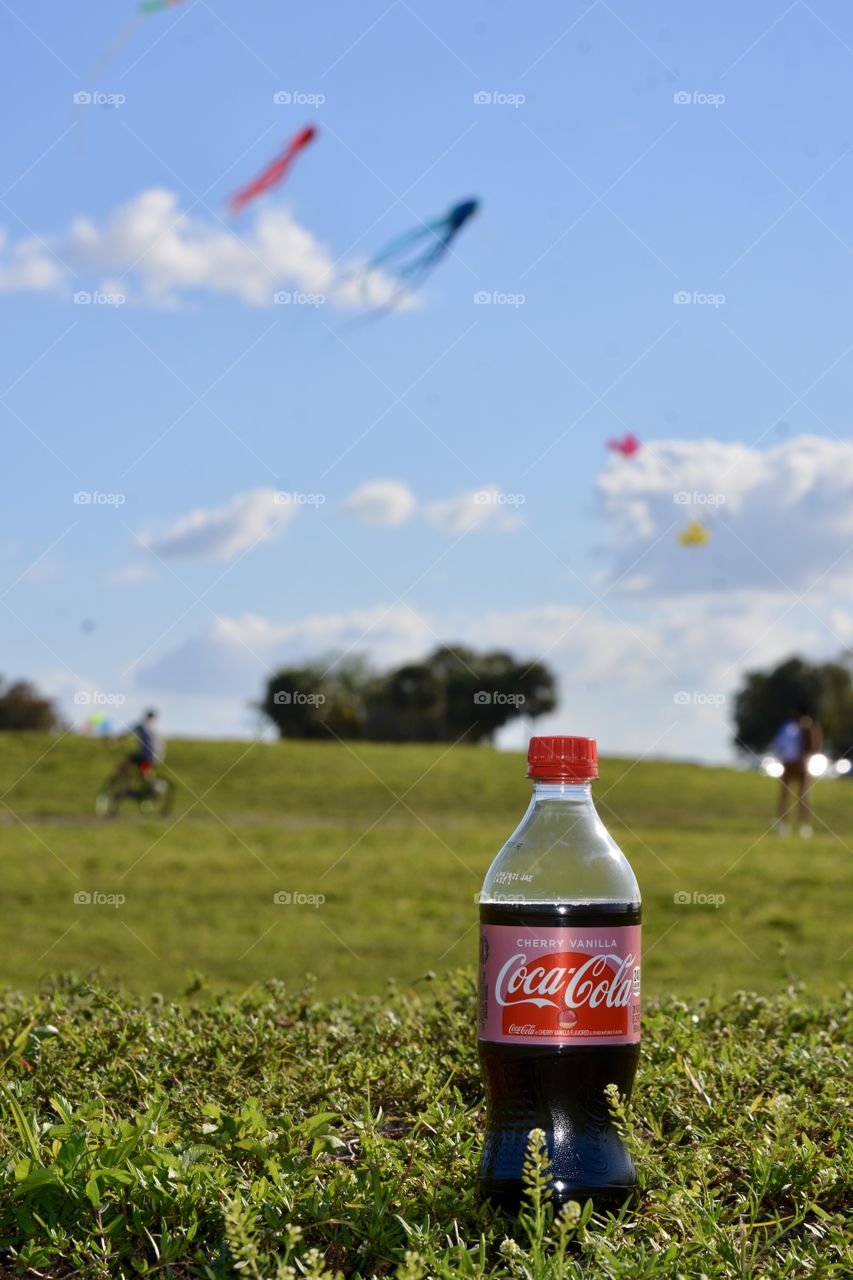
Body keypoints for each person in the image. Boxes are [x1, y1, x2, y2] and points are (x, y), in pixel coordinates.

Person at [772, 706, 822, 837]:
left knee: (785, 795)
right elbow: (815, 746)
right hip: (803, 763)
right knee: (803, 795)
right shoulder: (811, 726)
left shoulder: (789, 727)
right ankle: (804, 827)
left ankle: (784, 825)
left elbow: (779, 744)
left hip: (790, 763)